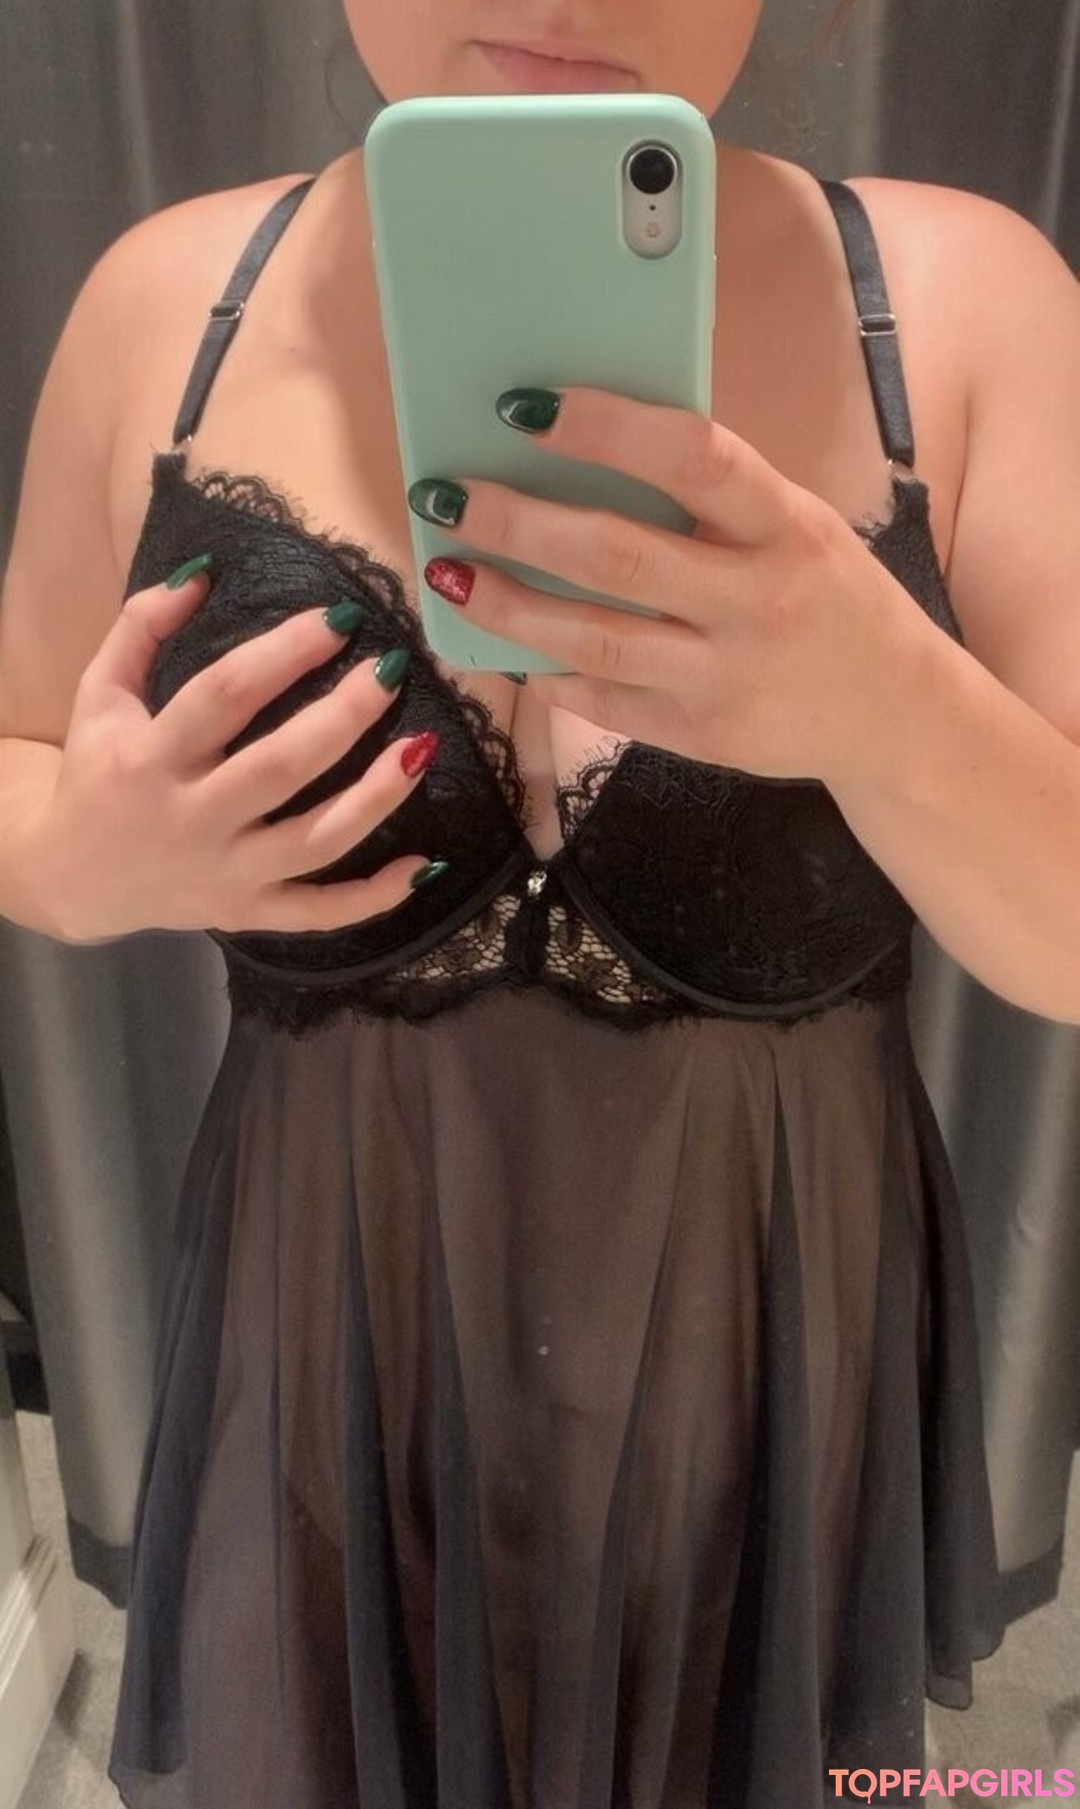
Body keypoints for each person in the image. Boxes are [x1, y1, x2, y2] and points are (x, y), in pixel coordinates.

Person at [2, 1, 1079, 1805]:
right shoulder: (160, 310)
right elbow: (20, 745)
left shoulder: (965, 309)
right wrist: (73, 858)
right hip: (332, 1367)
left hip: (751, 1394)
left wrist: (883, 704)